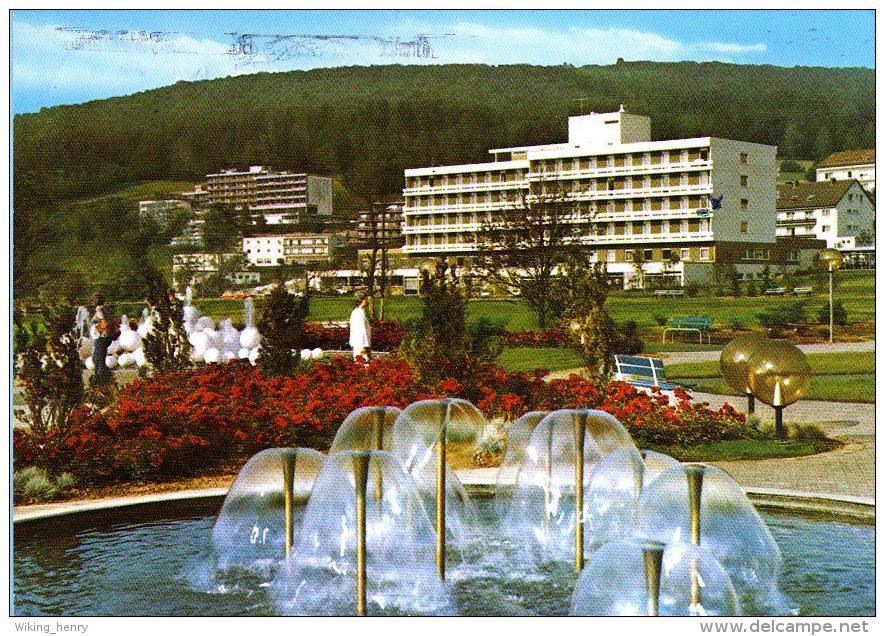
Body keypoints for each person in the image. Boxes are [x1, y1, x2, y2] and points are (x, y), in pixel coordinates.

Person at [90, 294, 114, 386]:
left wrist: (100, 327)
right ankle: (102, 376)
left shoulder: (100, 310)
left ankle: (100, 380)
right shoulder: (104, 309)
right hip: (103, 337)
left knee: (99, 359)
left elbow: (104, 322)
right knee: (97, 358)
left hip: (102, 337)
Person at [348, 295, 371, 362]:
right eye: (365, 299)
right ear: (362, 301)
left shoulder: (356, 312)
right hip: (360, 345)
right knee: (364, 363)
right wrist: (363, 346)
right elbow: (361, 330)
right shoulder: (359, 314)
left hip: (357, 344)